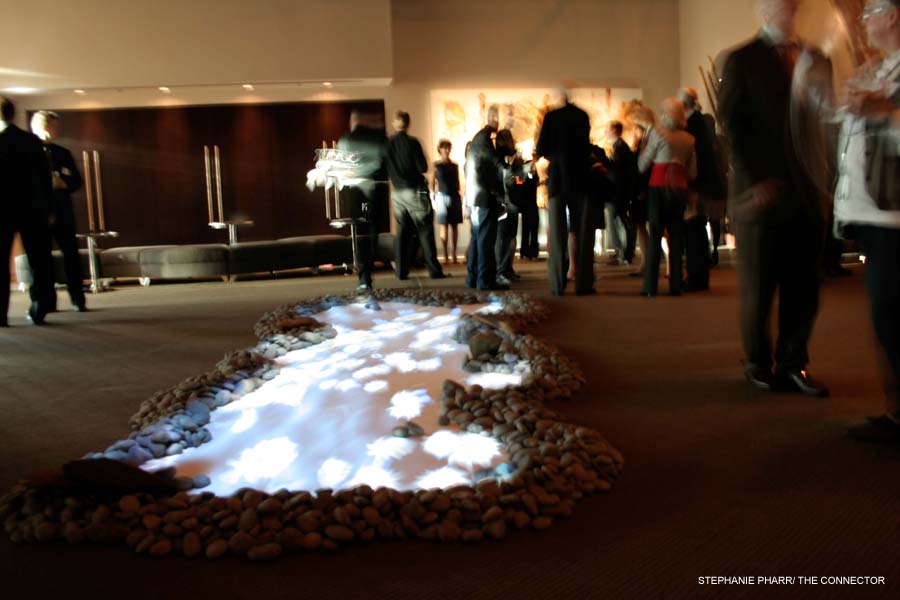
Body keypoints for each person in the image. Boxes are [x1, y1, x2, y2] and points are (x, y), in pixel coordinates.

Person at [718, 0, 829, 396]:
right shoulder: (740, 60)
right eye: (783, 6)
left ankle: (794, 363)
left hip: (807, 189)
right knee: (760, 285)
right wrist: (756, 181)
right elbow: (732, 126)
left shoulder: (816, 58)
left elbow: (824, 121)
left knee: (804, 284)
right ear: (764, 11)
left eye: (794, 6)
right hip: (760, 192)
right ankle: (757, 362)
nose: (792, 12)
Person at [837, 0, 900, 441]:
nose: (863, 21)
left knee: (893, 317)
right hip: (876, 213)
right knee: (887, 319)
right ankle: (896, 410)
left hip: (894, 216)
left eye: (869, 12)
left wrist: (884, 115)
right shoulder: (883, 69)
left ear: (893, 14)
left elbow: (885, 126)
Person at [0, 97, 55, 326]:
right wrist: (49, 208)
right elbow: (45, 178)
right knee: (39, 260)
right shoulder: (31, 141)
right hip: (33, 209)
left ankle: (0, 314)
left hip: (2, 211)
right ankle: (40, 306)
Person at [535, 88, 594, 295]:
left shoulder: (551, 118)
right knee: (584, 233)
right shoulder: (582, 116)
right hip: (581, 179)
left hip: (558, 181)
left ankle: (558, 284)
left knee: (558, 235)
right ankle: (584, 283)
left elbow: (541, 149)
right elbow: (586, 146)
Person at [637, 99, 697, 297]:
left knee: (655, 234)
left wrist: (644, 151)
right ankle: (676, 284)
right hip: (679, 187)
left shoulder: (658, 134)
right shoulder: (689, 139)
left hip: (658, 186)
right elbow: (693, 172)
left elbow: (643, 165)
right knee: (676, 235)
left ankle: (650, 287)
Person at [30, 111, 87, 312]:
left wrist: (64, 184)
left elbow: (77, 181)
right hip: (39, 214)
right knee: (41, 259)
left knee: (71, 255)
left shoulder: (62, 153)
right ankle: (45, 302)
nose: (57, 130)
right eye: (54, 126)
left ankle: (78, 298)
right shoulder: (28, 152)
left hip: (63, 212)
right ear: (42, 126)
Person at [384, 111, 445, 280]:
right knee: (425, 230)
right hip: (415, 190)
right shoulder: (413, 143)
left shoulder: (387, 144)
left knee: (402, 232)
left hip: (397, 193)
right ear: (408, 123)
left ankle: (401, 271)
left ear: (394, 123)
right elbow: (423, 167)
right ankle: (434, 269)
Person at [337, 110, 388, 291]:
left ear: (353, 122)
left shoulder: (346, 140)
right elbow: (383, 163)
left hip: (355, 192)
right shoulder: (377, 140)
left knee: (360, 233)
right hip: (372, 190)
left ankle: (363, 276)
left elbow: (341, 166)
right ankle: (369, 270)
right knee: (371, 232)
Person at [465, 105, 507, 291]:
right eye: (496, 117)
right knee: (485, 241)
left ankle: (473, 278)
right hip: (483, 197)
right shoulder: (484, 140)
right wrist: (511, 168)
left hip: (475, 197)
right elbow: (495, 165)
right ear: (490, 118)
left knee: (477, 239)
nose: (498, 121)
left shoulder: (478, 139)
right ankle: (484, 280)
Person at [678, 87, 716, 291]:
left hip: (696, 184)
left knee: (694, 232)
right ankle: (699, 276)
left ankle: (697, 276)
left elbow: (697, 158)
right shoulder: (700, 122)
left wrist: (694, 186)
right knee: (697, 231)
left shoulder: (693, 125)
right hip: (701, 183)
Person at [606, 121, 638, 265]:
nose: (606, 132)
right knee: (620, 221)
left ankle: (623, 251)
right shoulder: (619, 147)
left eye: (608, 129)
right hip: (621, 190)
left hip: (619, 191)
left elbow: (618, 171)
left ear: (615, 131)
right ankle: (623, 251)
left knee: (618, 221)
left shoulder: (620, 148)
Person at [431, 139, 463, 264]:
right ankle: (445, 256)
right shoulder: (436, 165)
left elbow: (458, 181)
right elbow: (432, 181)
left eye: (448, 148)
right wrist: (432, 194)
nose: (447, 150)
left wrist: (460, 193)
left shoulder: (455, 165)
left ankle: (454, 255)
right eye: (445, 148)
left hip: (454, 195)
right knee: (444, 226)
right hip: (442, 196)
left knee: (454, 226)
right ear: (440, 149)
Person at [495, 128, 520, 285]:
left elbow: (514, 180)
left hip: (511, 201)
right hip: (504, 201)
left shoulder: (507, 161)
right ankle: (502, 270)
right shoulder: (499, 160)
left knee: (509, 237)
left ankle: (507, 269)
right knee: (503, 237)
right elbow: (507, 180)